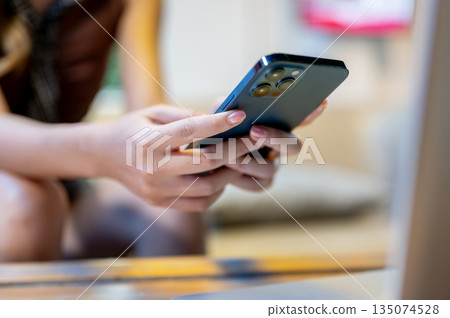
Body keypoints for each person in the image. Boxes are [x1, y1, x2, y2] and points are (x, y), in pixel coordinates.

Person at [0, 0, 325, 262]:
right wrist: (99, 150)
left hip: (68, 195)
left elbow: (148, 118)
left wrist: (212, 150)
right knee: (28, 204)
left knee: (173, 209)